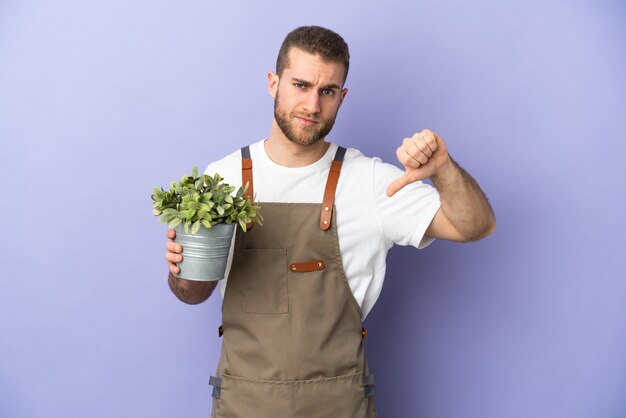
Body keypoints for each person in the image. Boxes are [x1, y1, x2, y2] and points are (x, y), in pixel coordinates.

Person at [163, 26, 495, 418]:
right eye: (300, 85)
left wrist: (443, 170)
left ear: (342, 96)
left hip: (340, 405)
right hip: (243, 403)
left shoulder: (370, 181)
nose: (312, 105)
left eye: (327, 91)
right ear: (274, 83)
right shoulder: (222, 180)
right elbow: (191, 293)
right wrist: (183, 270)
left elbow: (475, 226)